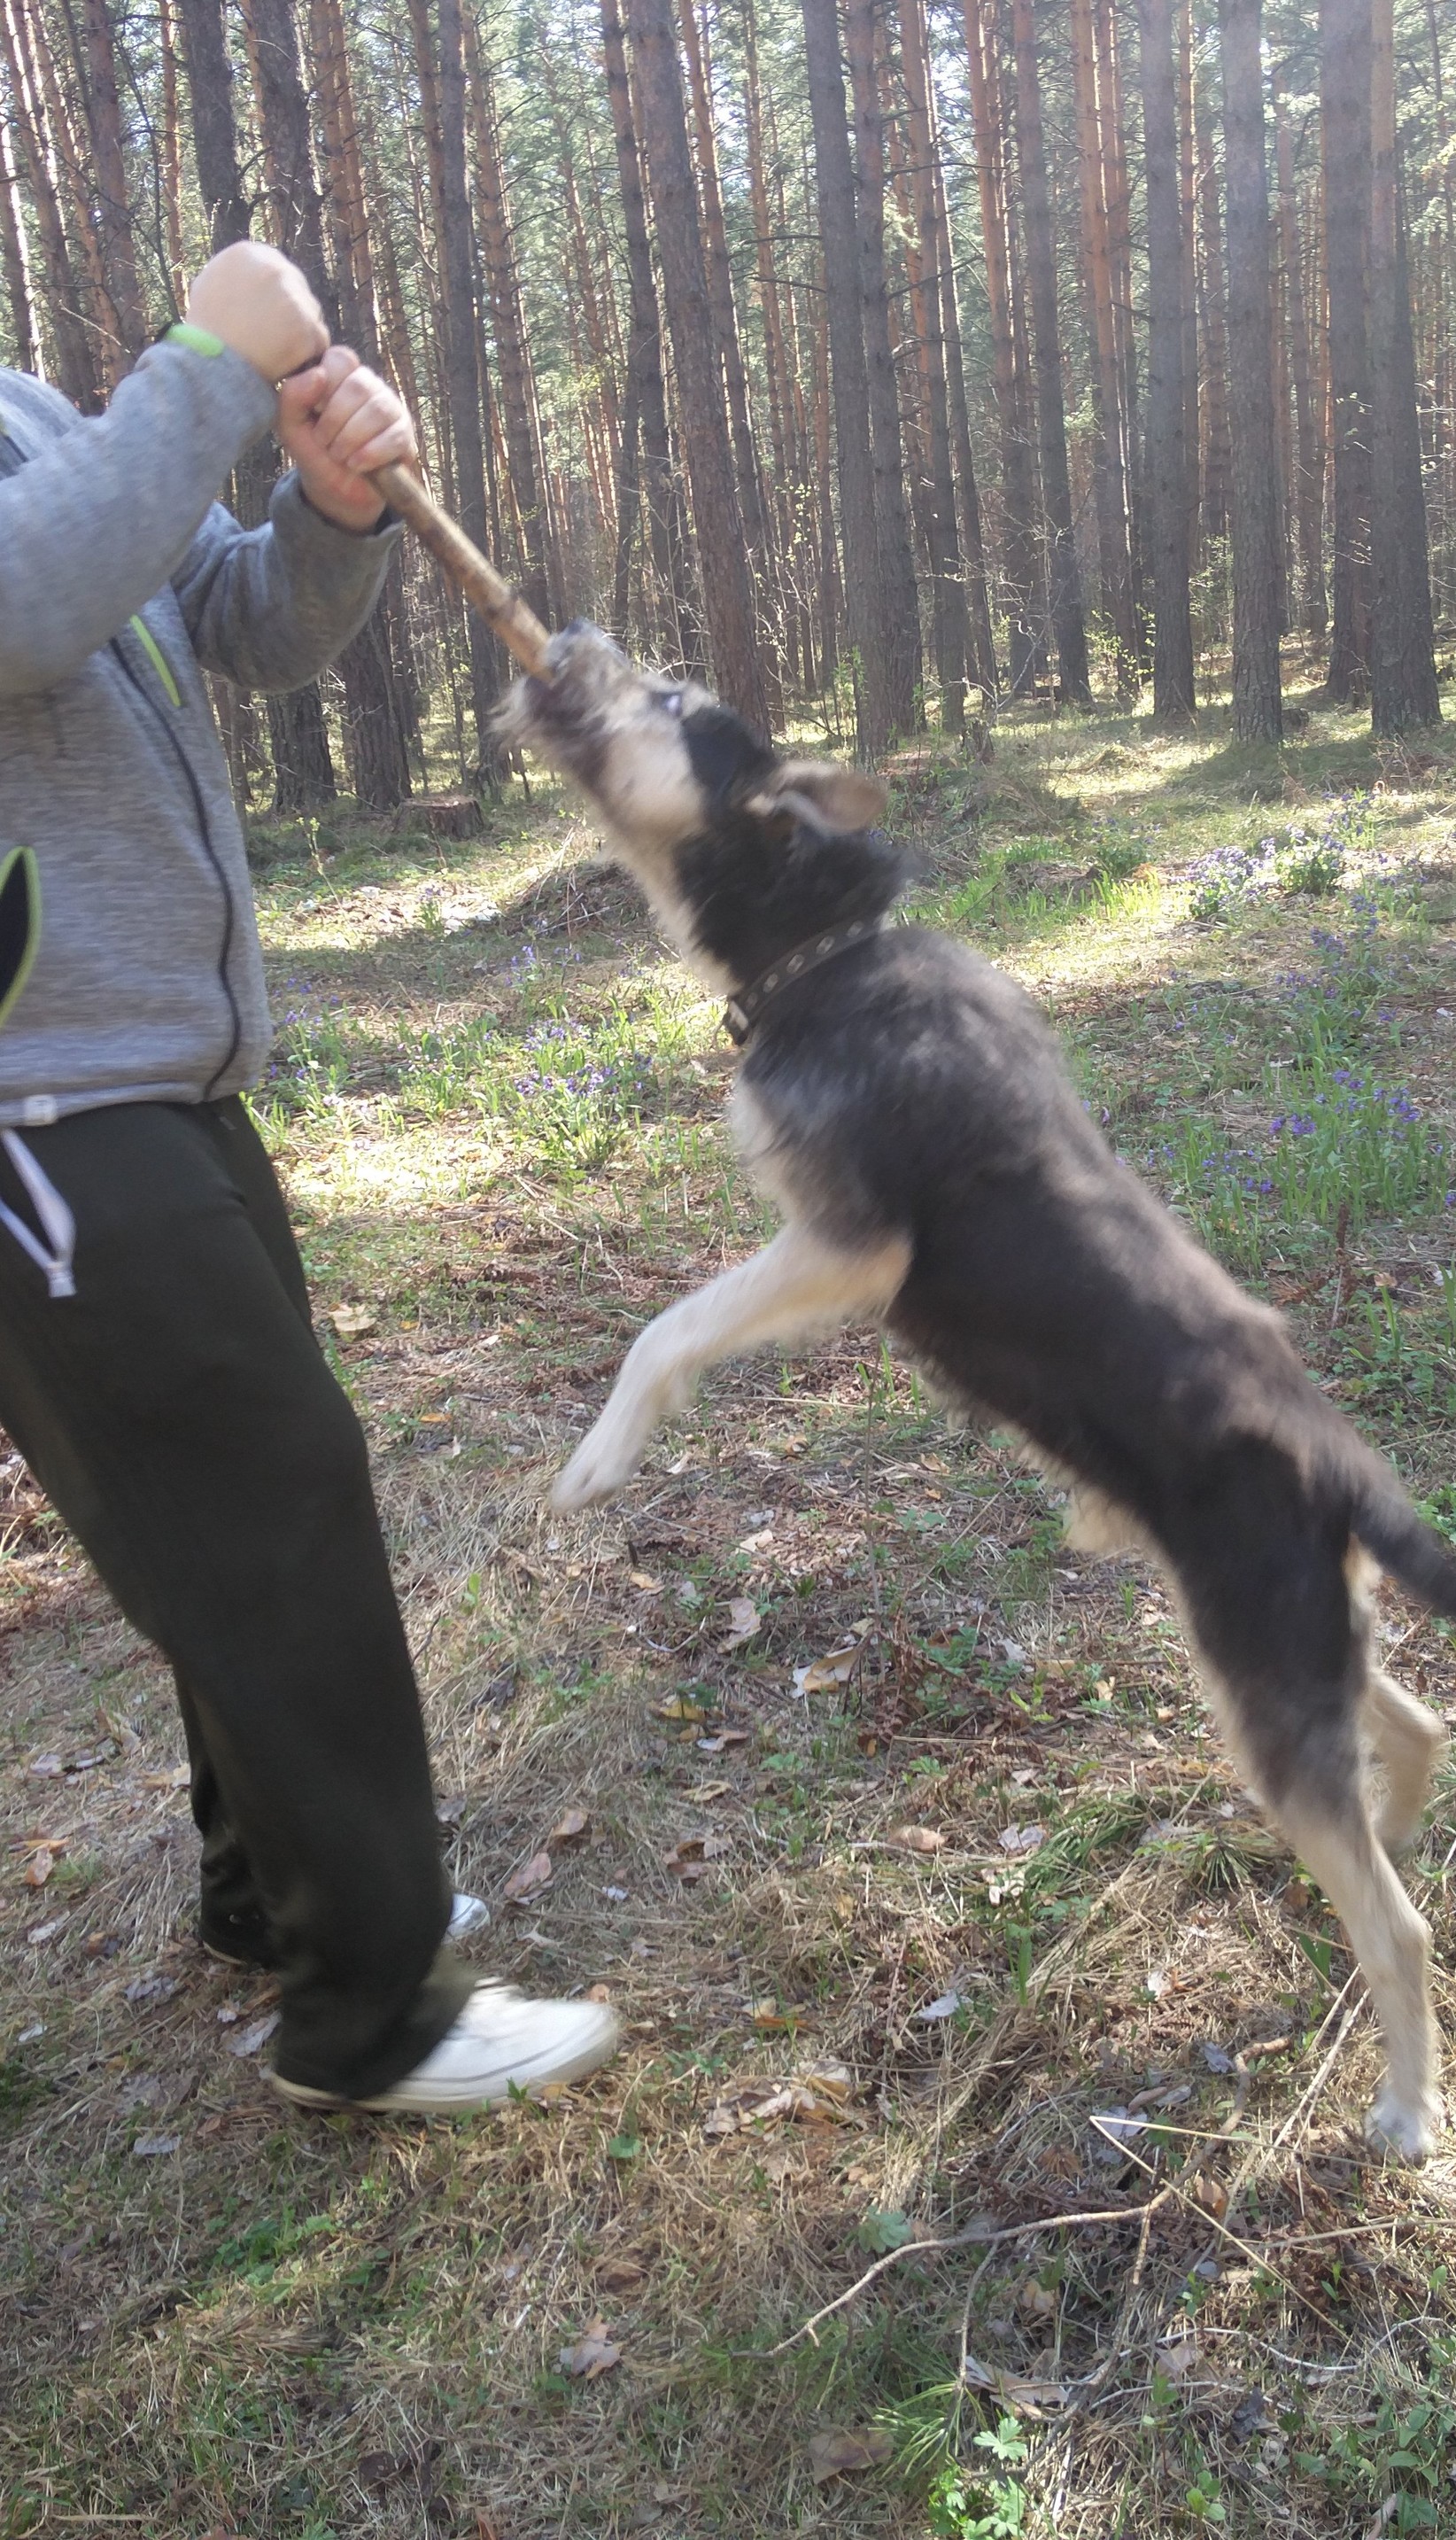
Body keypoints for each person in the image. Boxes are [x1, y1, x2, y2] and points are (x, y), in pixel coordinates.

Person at [0, 241, 619, 2111]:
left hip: (151, 1077)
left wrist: (331, 508)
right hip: (31, 1106)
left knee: (230, 1507)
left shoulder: (28, 410)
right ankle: (374, 2008)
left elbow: (234, 621)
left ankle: (279, 1899)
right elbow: (25, 611)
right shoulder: (87, 429)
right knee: (273, 1500)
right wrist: (200, 373)